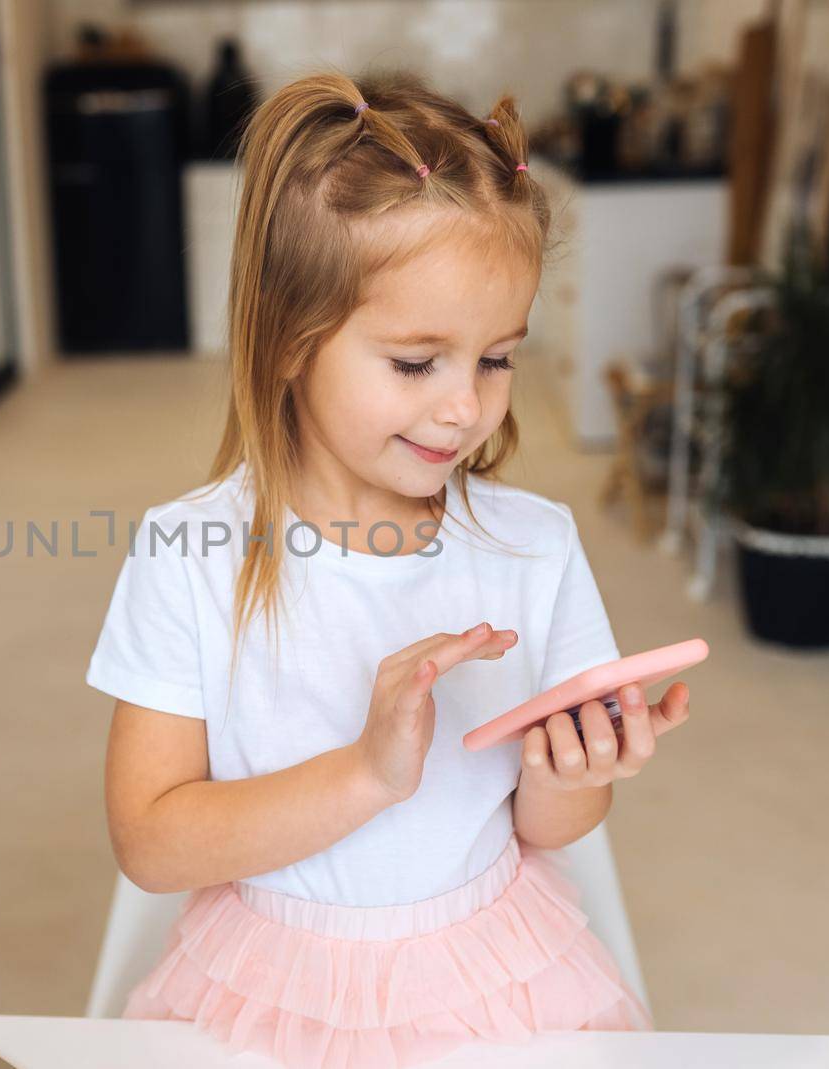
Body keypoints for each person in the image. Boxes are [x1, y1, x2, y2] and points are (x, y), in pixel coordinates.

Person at [85, 68, 693, 1069]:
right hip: (269, 985)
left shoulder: (532, 546)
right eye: (417, 363)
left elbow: (552, 827)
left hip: (492, 976)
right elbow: (151, 845)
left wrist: (572, 770)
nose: (466, 406)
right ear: (287, 339)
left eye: (496, 358)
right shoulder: (189, 553)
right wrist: (366, 773)